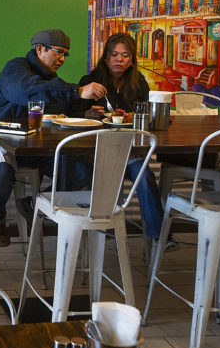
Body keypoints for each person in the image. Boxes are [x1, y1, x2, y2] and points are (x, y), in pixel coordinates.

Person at [0, 29, 106, 247]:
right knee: (1, 174)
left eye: (66, 54)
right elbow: (25, 91)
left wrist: (83, 114)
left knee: (82, 173)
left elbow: (57, 109)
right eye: (59, 52)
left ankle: (33, 205)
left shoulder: (51, 79)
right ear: (40, 49)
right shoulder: (16, 68)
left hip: (34, 148)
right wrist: (77, 91)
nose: (63, 59)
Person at [69, 32, 167, 245]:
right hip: (96, 151)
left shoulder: (138, 82)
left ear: (131, 60)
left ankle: (158, 236)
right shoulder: (90, 82)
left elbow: (147, 113)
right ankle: (104, 226)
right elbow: (72, 116)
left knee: (145, 175)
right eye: (114, 54)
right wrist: (87, 114)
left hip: (129, 149)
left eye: (124, 55)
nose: (119, 59)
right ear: (106, 57)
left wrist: (135, 116)